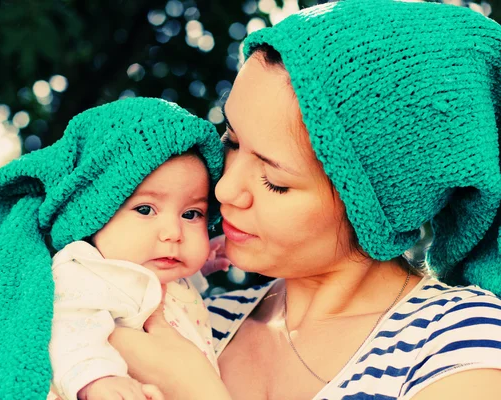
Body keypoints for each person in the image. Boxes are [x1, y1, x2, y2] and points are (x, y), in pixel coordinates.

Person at [107, 0, 501, 399]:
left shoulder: (460, 344)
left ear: (375, 208)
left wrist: (196, 390)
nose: (225, 190)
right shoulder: (192, 320)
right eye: (232, 141)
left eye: (274, 180)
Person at [0, 97, 224, 399]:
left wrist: (203, 261)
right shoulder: (84, 271)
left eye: (191, 214)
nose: (173, 233)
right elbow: (69, 329)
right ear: (93, 217)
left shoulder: (155, 270)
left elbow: (165, 292)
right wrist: (97, 380)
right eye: (145, 209)